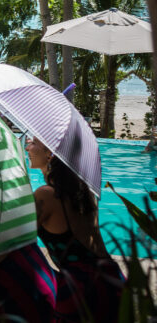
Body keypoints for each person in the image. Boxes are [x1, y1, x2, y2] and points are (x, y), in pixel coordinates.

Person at [27, 137, 124, 320]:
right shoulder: (84, 188)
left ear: (50, 154)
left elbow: (15, 234)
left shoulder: (46, 195)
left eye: (33, 143)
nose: (27, 147)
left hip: (80, 289)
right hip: (112, 279)